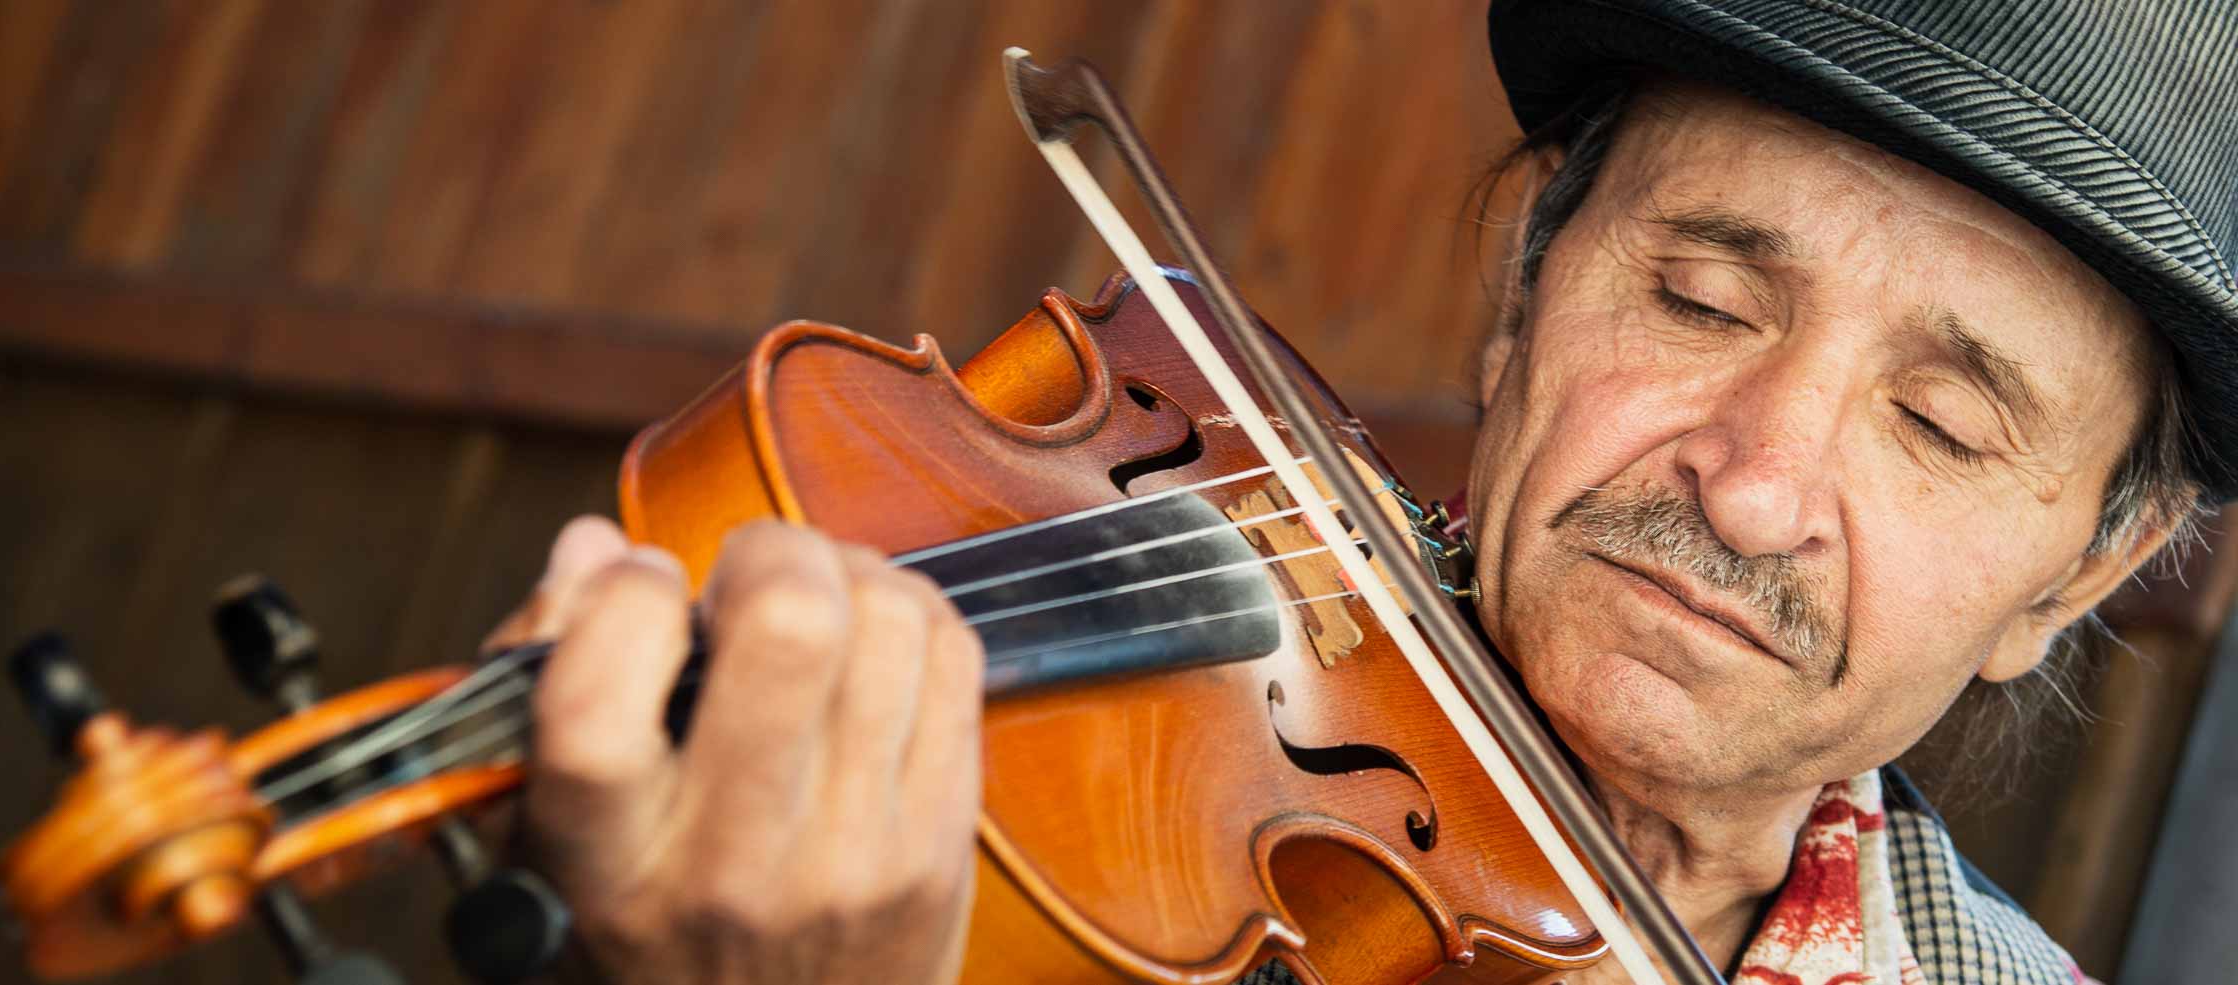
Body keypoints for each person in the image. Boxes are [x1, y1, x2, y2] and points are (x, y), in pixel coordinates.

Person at [477, 2, 2238, 983]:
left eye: (1937, 420)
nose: (1760, 487)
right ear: (1522, 298)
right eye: (1699, 300)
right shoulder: (1035, 814)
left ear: (2071, 581)